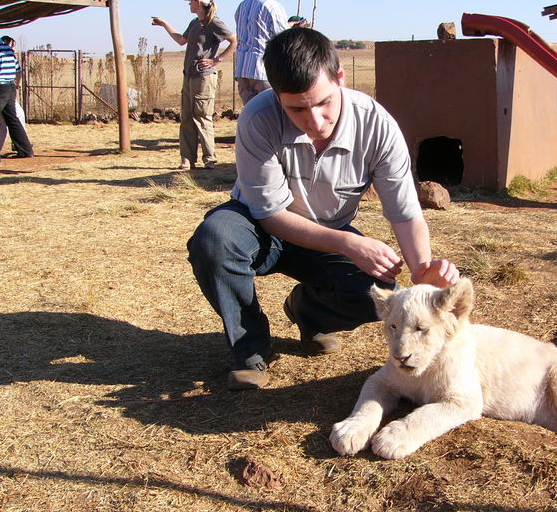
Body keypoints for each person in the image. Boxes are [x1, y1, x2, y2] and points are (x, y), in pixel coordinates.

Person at [187, 27, 460, 390]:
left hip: (327, 231)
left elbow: (405, 212)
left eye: (323, 102)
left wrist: (423, 271)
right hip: (258, 226)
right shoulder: (258, 117)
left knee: (378, 288)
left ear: (340, 78)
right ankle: (250, 350)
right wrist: (349, 244)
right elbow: (270, 214)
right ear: (276, 95)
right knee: (214, 240)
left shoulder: (377, 125)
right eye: (296, 108)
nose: (314, 121)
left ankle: (308, 313)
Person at [152, 0, 236, 171]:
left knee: (203, 117)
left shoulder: (215, 23)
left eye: (191, 1)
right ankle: (187, 159)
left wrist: (217, 60)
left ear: (199, 2)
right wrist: (165, 24)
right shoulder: (194, 23)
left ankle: (209, 159)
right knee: (187, 118)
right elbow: (181, 41)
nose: (189, 4)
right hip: (189, 75)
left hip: (204, 77)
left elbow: (234, 40)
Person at [234, 0, 289, 106]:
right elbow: (283, 40)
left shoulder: (242, 5)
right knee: (273, 117)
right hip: (263, 70)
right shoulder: (273, 6)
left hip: (242, 70)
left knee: (253, 118)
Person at [0, 23, 33, 163]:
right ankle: (26, 150)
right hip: (10, 86)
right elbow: (18, 70)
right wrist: (16, 85)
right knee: (13, 119)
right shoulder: (7, 48)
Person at [0, 36, 26, 152]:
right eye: (12, 46)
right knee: (16, 116)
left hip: (5, 89)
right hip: (1, 89)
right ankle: (18, 144)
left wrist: (17, 85)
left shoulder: (5, 55)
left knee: (4, 120)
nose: (13, 49)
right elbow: (18, 71)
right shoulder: (4, 55)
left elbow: (19, 71)